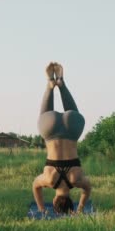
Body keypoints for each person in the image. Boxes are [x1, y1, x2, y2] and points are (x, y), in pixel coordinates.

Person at [32, 62, 92, 215]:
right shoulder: (49, 179)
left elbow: (88, 189)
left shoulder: (77, 179)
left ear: (71, 200)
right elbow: (35, 186)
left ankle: (61, 84)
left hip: (72, 130)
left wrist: (79, 208)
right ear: (53, 202)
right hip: (50, 131)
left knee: (73, 112)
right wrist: (41, 209)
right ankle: (50, 84)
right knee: (44, 116)